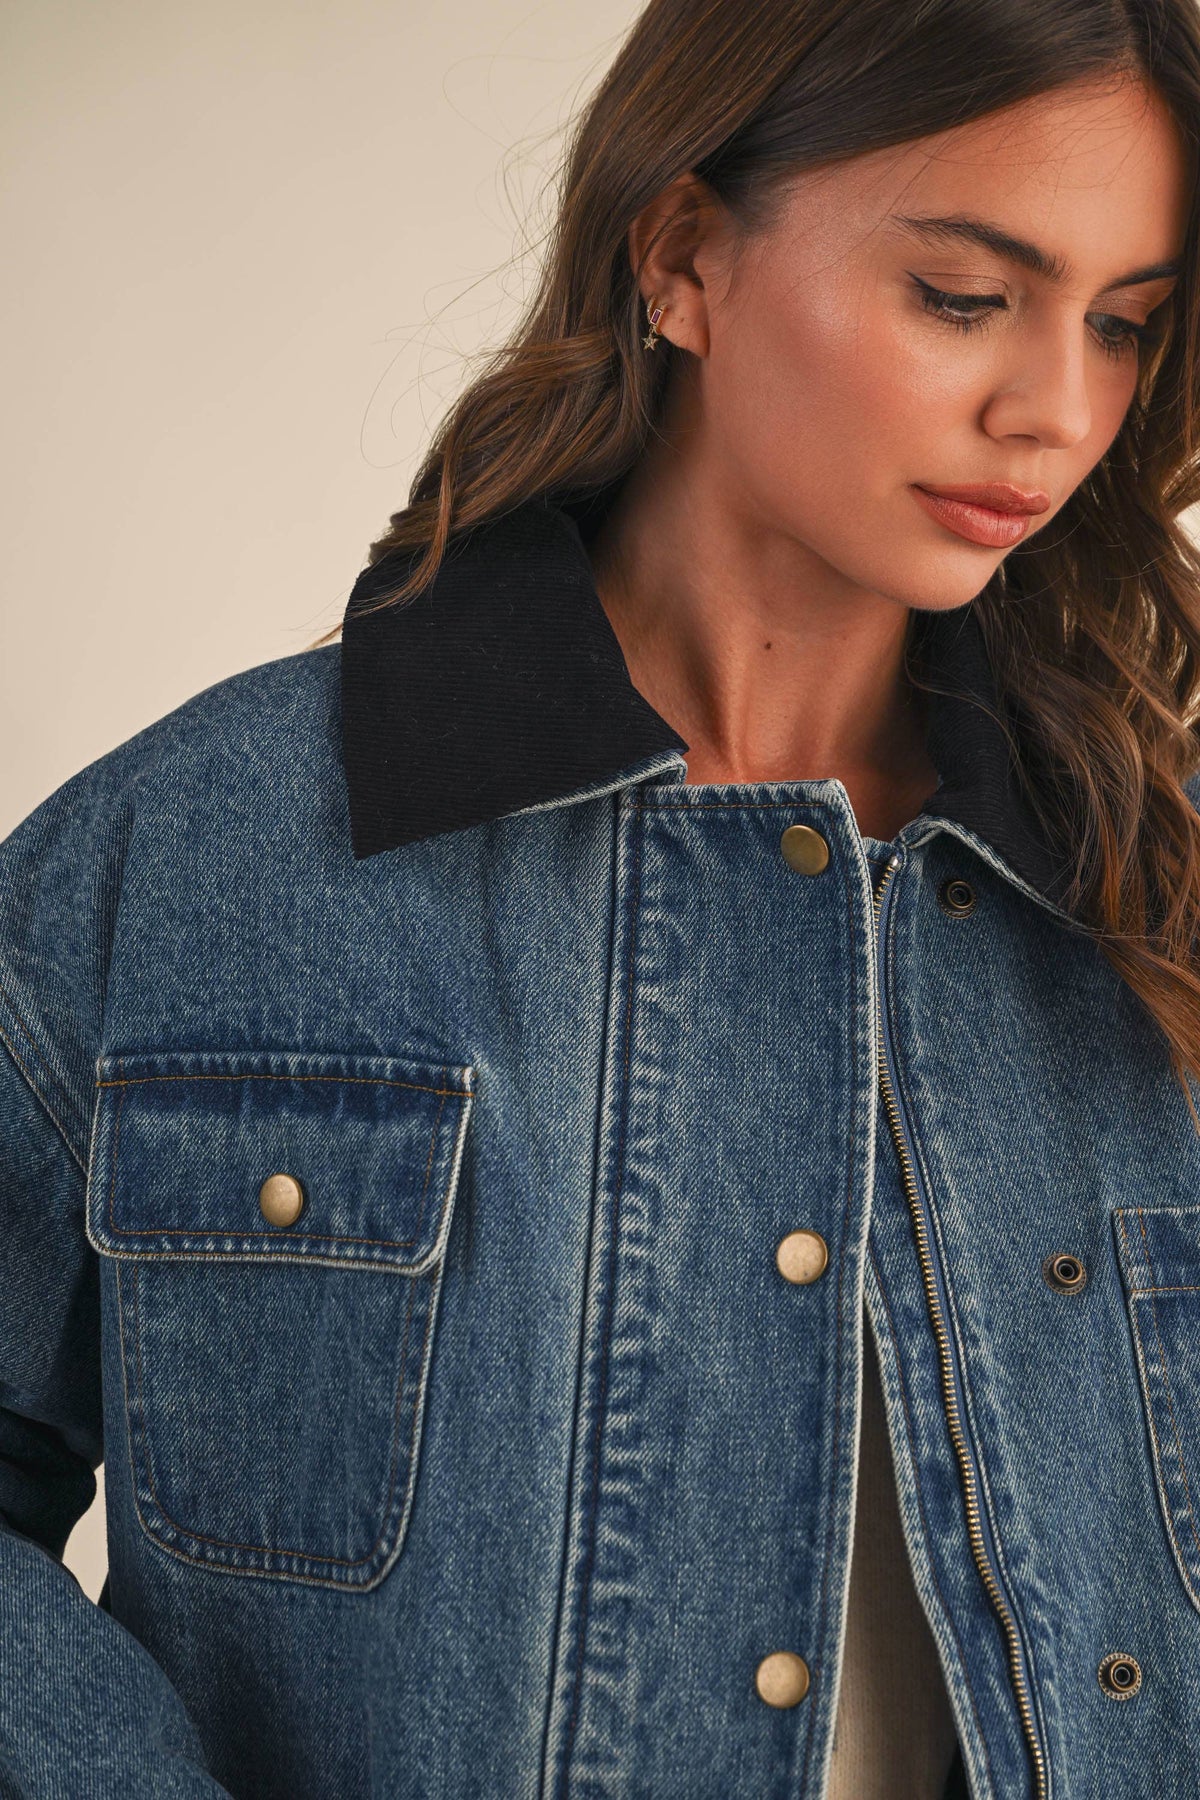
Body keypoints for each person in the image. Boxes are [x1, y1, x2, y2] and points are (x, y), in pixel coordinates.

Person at [3, 0, 1200, 1795]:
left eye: (1123, 324)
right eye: (964, 297)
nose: (1059, 412)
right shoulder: (195, 858)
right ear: (684, 259)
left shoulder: (1154, 898)